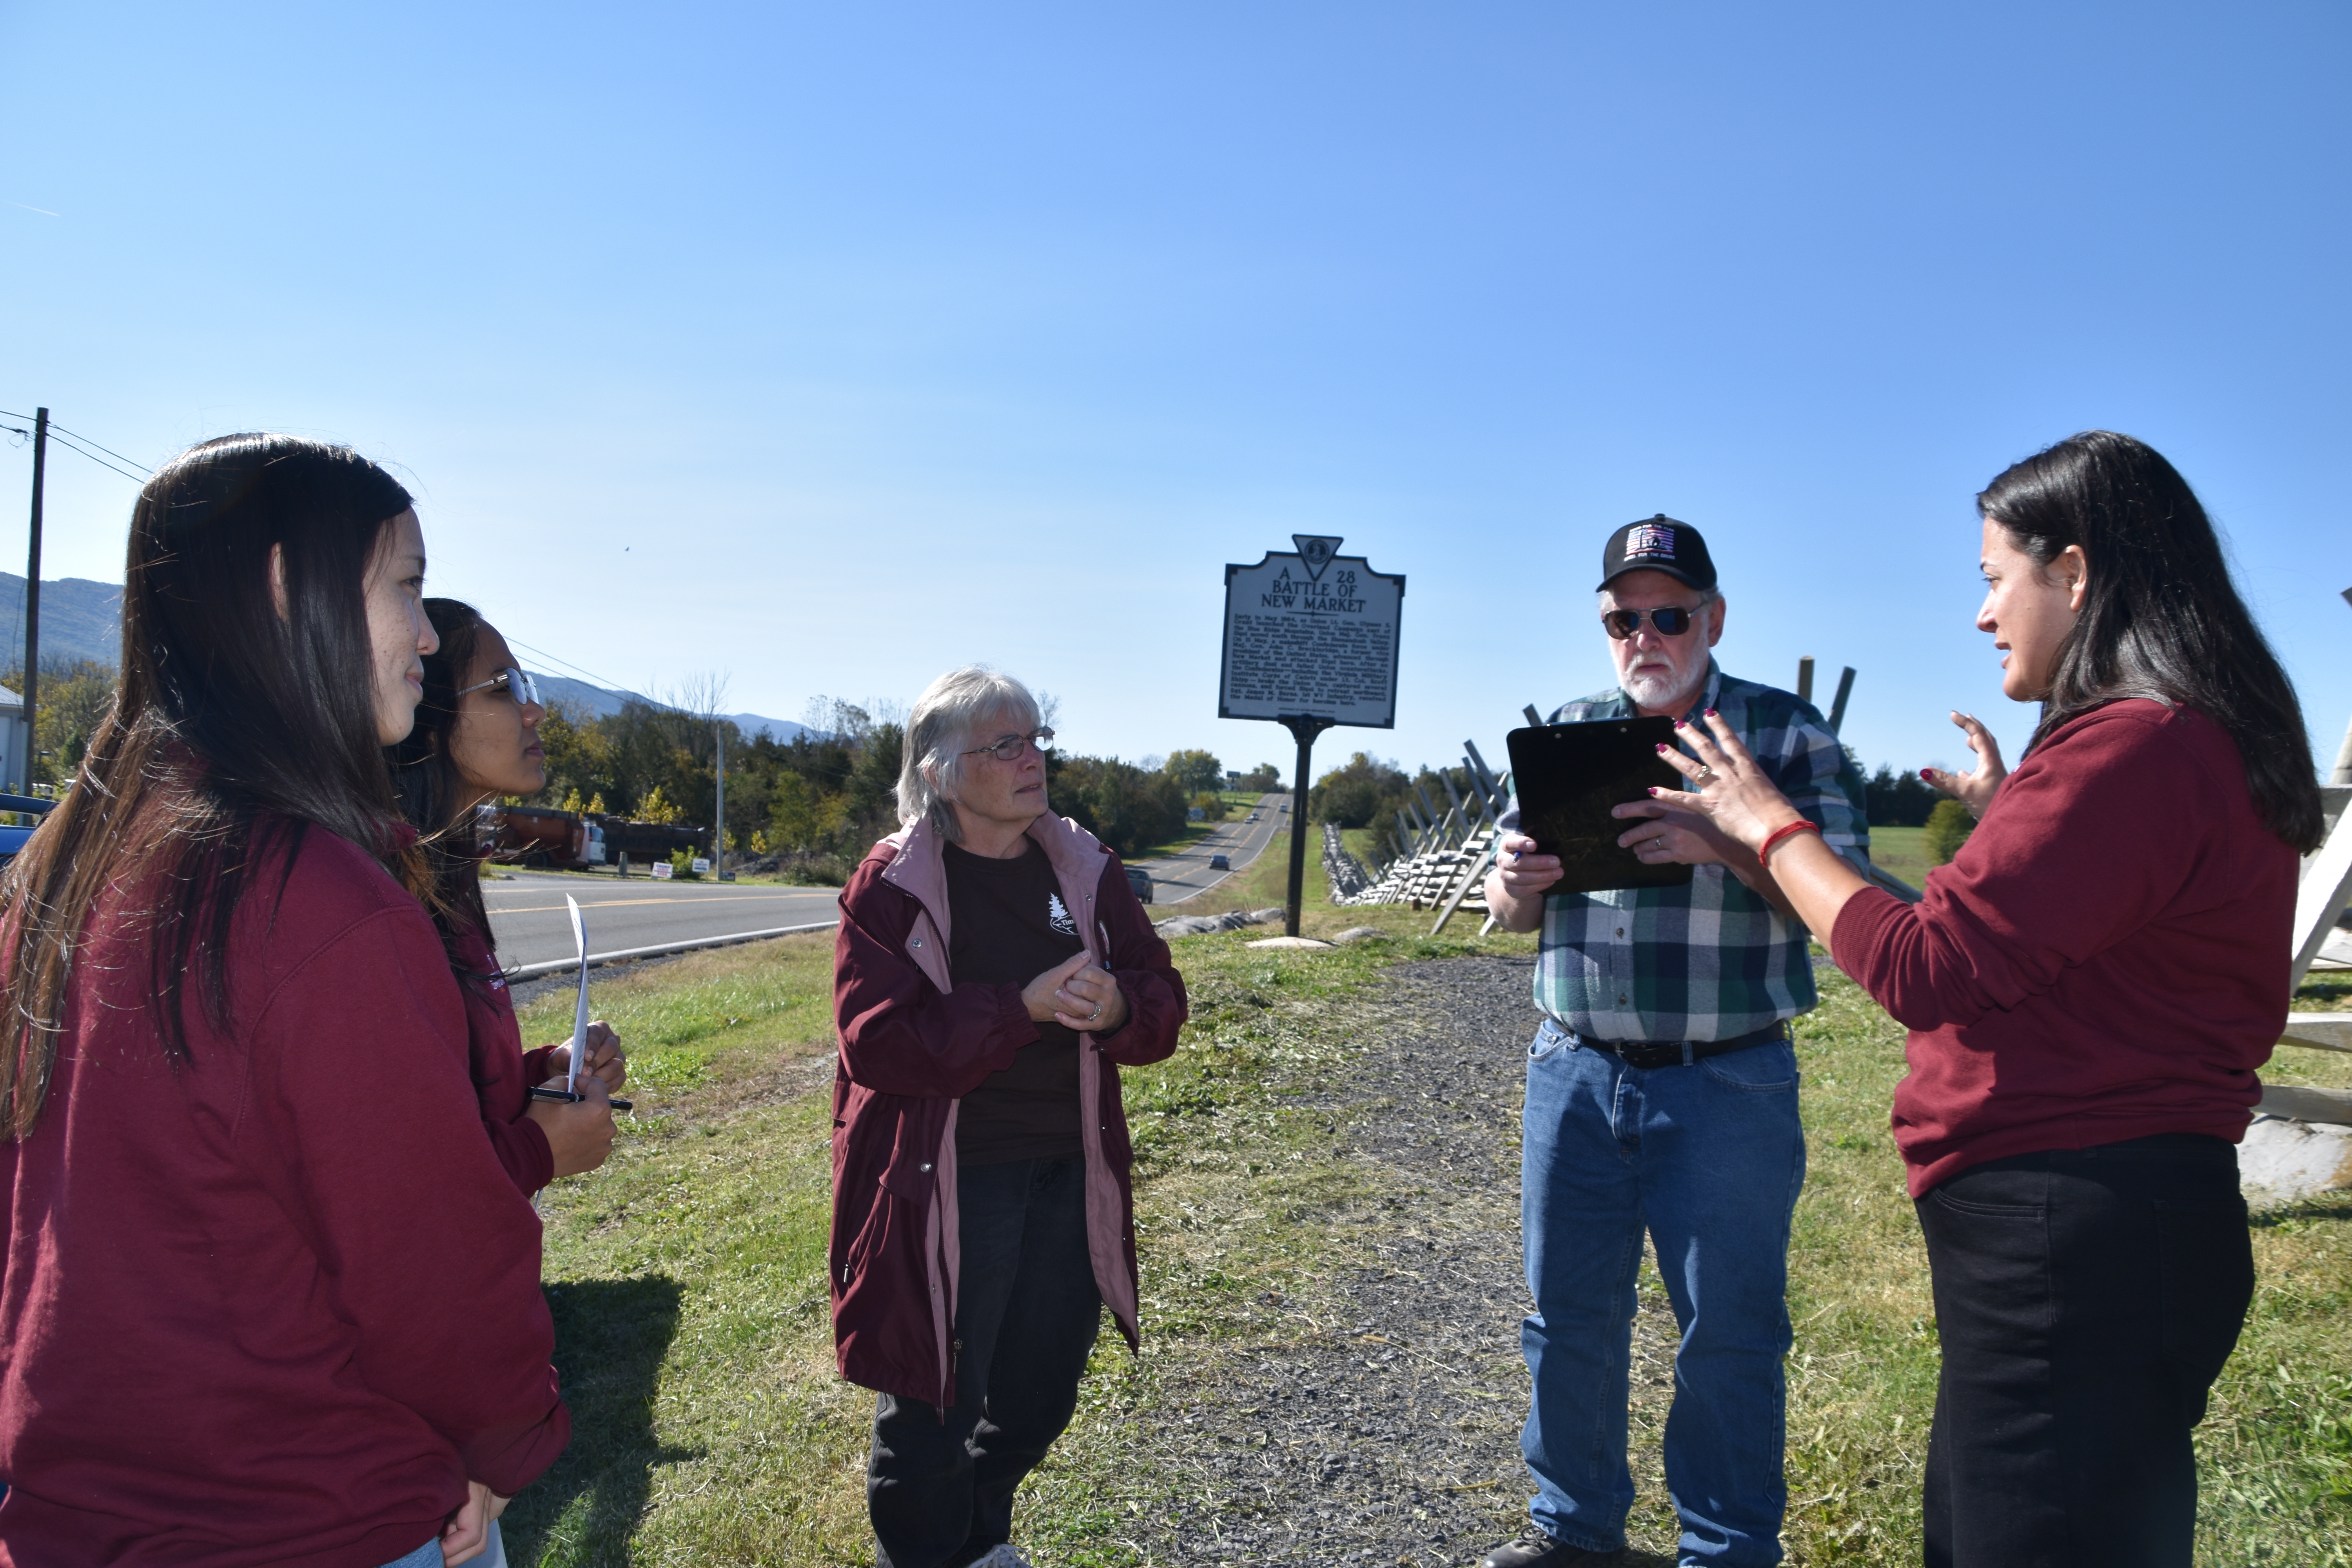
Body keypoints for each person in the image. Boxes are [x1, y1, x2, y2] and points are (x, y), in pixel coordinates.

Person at [1644, 432, 2318, 1568]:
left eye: (1993, 579)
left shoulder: (2133, 746)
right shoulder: (2188, 736)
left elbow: (1922, 969)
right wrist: (2005, 814)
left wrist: (1768, 820)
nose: (1984, 614)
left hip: (2071, 1231)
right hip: (2122, 1220)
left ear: (2077, 574)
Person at [0, 436, 569, 1567]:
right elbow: (430, 1258)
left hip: (77, 1512)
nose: (424, 634)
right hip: (310, 1512)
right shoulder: (316, 899)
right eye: (405, 587)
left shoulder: (61, 870)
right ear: (281, 590)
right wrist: (503, 1445)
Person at [1479, 515, 1872, 1568]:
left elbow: (1847, 905)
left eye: (1668, 614)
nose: (1644, 635)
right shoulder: (1565, 731)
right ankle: (1574, 1535)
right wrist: (1510, 888)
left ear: (1714, 618)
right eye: (1622, 618)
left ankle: (1729, 1549)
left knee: (1729, 1334)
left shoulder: (1784, 737)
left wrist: (1726, 839)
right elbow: (1508, 908)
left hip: (1727, 1077)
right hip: (1575, 1066)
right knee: (1566, 1320)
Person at [829, 667, 1188, 1568]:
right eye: (1006, 744)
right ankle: (922, 1553)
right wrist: (1017, 1008)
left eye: (1037, 740)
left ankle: (976, 1537)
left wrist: (1114, 1009)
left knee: (1038, 1394)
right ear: (943, 770)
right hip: (948, 1176)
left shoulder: (1083, 865)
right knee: (935, 1397)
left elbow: (1162, 997)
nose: (1034, 759)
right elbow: (877, 1043)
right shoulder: (894, 881)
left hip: (1071, 1168)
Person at [390, 596, 626, 1200]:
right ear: (425, 708)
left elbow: (447, 1091)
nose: (535, 709)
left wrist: (543, 1072)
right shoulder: (384, 897)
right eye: (503, 688)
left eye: (527, 684)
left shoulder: (445, 875)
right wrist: (536, 1151)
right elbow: (395, 1175)